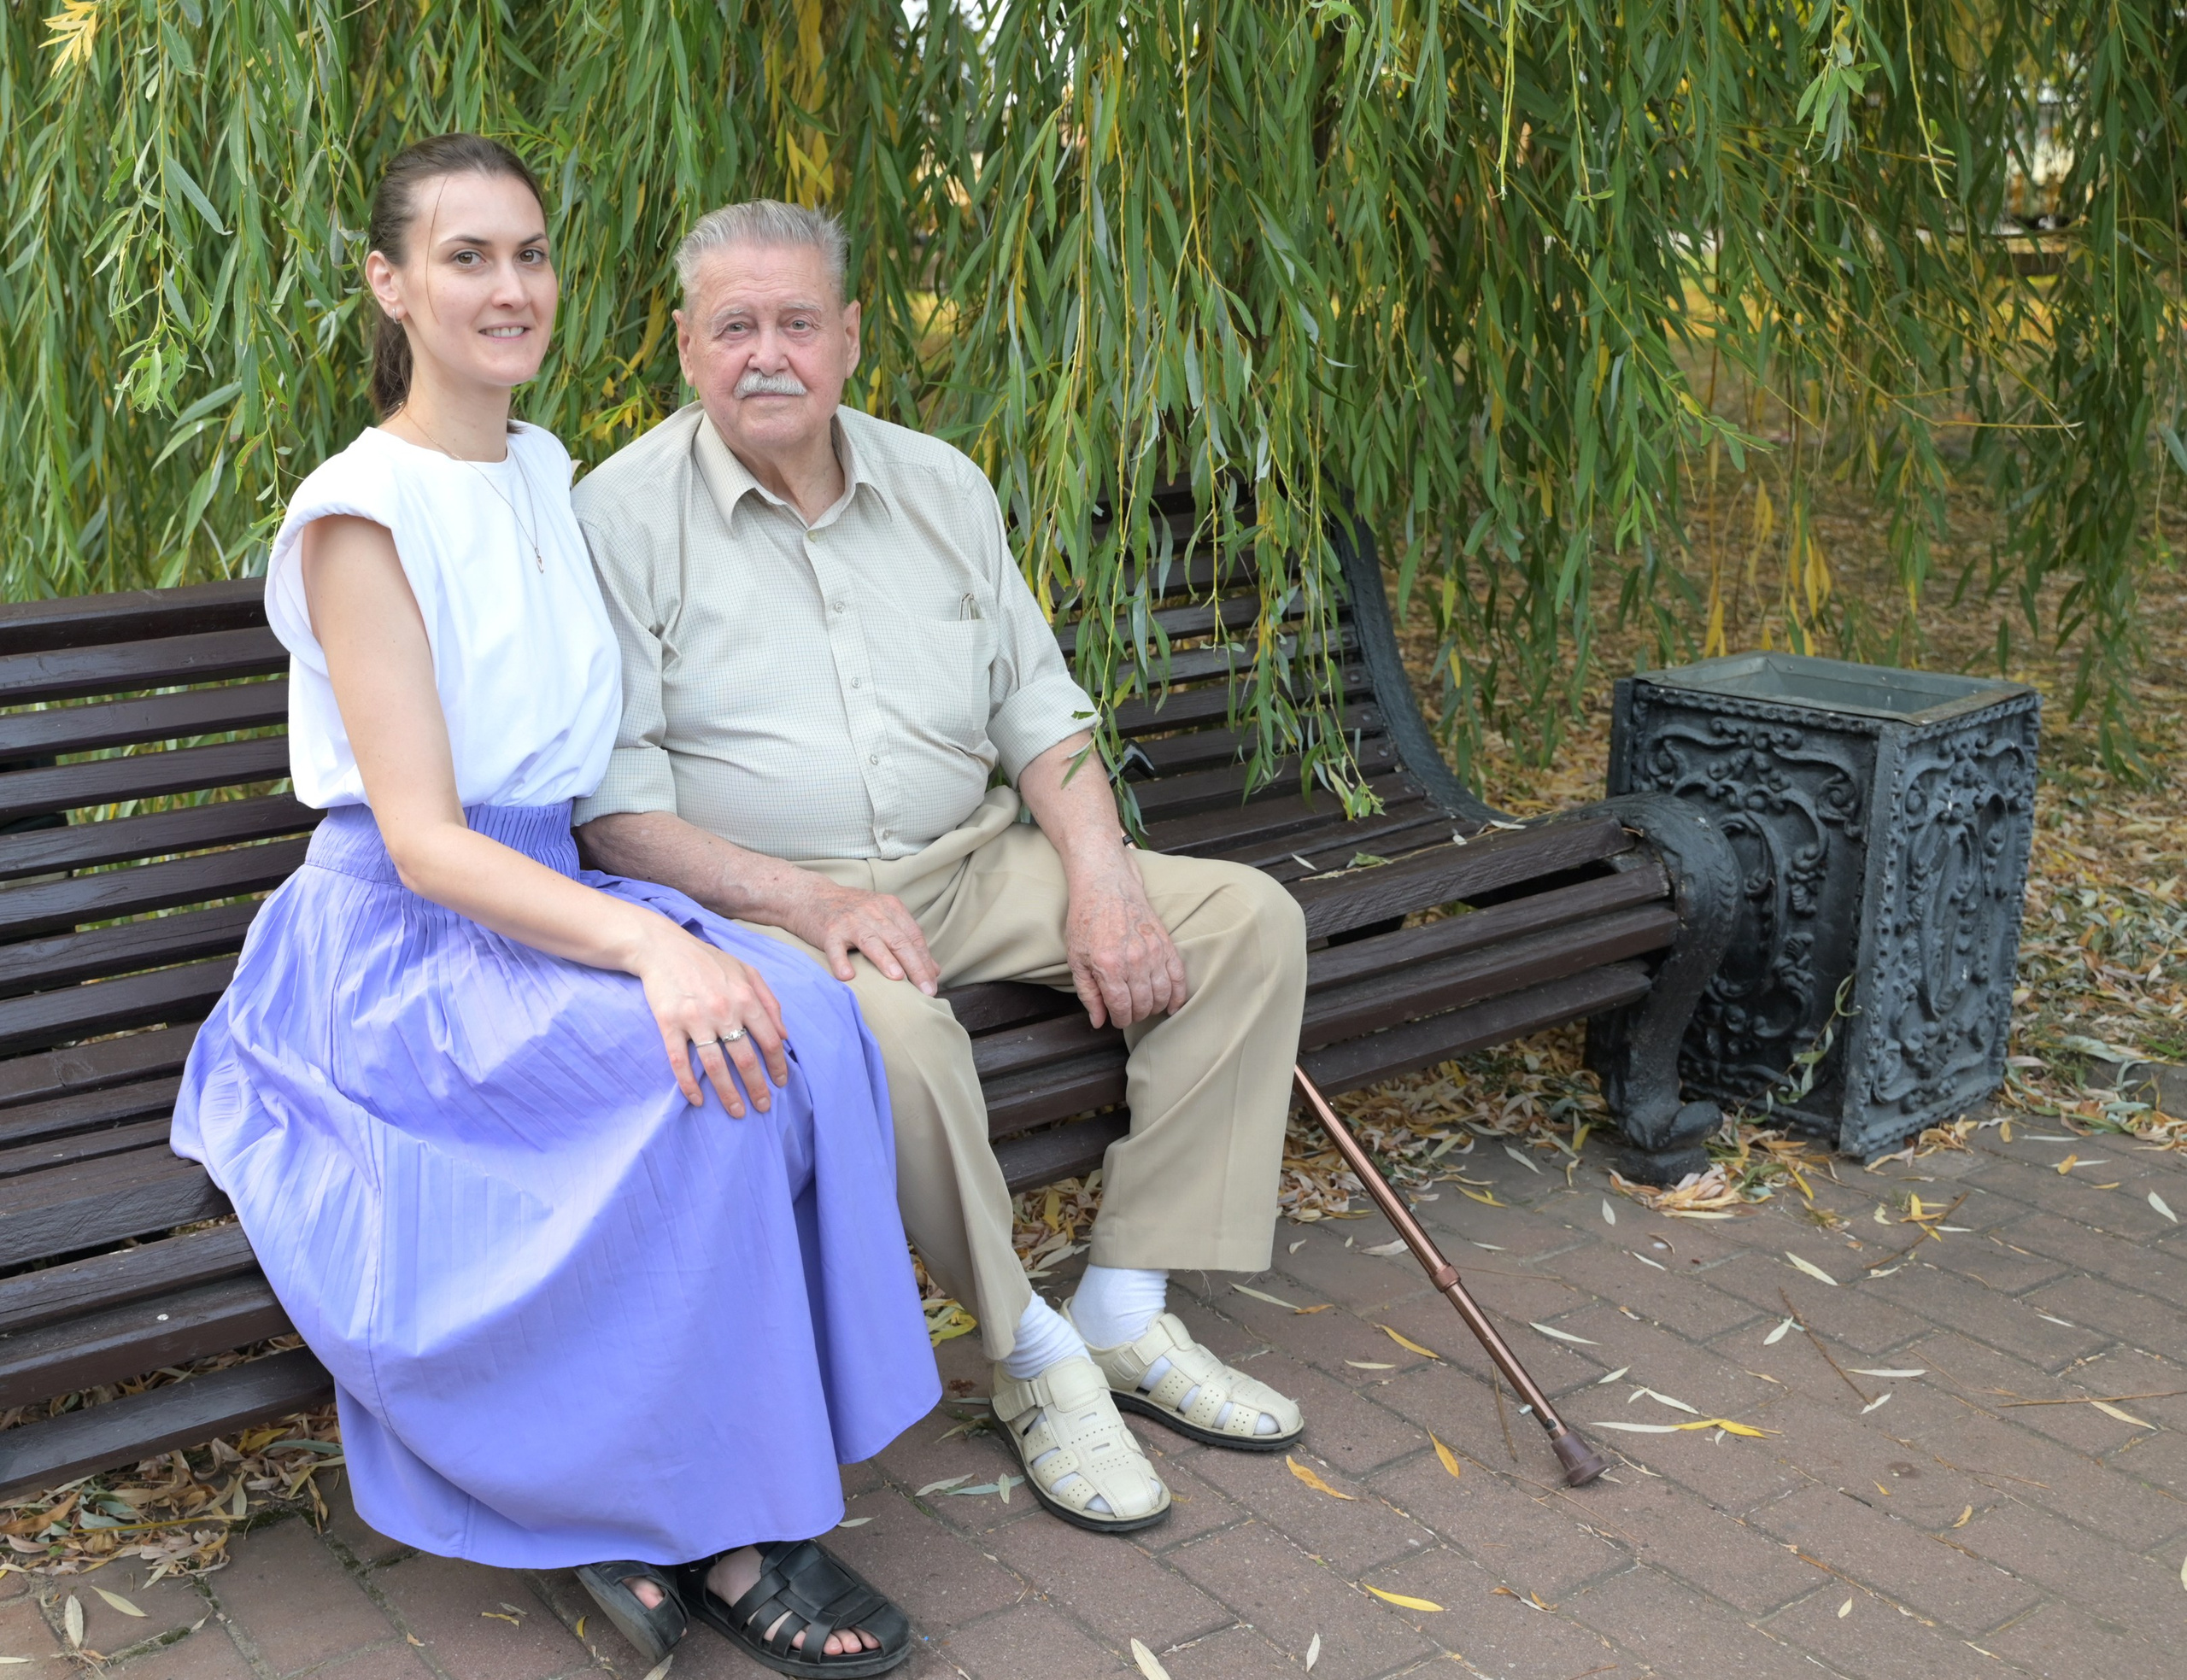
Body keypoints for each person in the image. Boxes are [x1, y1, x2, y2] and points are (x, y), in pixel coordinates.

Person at [170, 138, 934, 1678]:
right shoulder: (360, 515)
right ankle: (704, 1522)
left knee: (813, 1027)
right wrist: (653, 939)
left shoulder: (541, 468)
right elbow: (431, 844)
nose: (509, 287)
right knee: (693, 1073)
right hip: (405, 940)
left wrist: (721, 903)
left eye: (528, 254)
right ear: (389, 285)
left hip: (549, 893)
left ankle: (666, 1479)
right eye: (466, 258)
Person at [571, 200, 1311, 1535]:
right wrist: (808, 900)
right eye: (733, 327)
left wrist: (1103, 872)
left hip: (965, 864)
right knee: (895, 1041)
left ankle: (1127, 1305)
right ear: (686, 349)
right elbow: (613, 816)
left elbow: (1040, 708)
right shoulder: (616, 519)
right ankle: (1027, 1352)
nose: (768, 354)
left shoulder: (940, 484)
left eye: (798, 321)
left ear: (850, 339)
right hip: (764, 905)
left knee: (1248, 922)